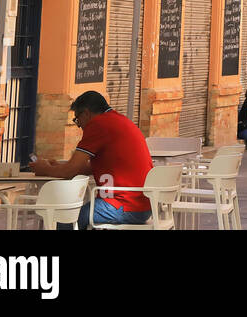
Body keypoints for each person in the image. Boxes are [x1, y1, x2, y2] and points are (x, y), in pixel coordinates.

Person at [30, 90, 154, 229]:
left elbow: (69, 172)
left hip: (124, 204)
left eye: (77, 119)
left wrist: (45, 169)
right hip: (145, 204)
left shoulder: (98, 125)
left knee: (67, 218)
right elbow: (90, 167)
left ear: (86, 114)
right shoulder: (119, 120)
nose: (79, 126)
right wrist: (57, 167)